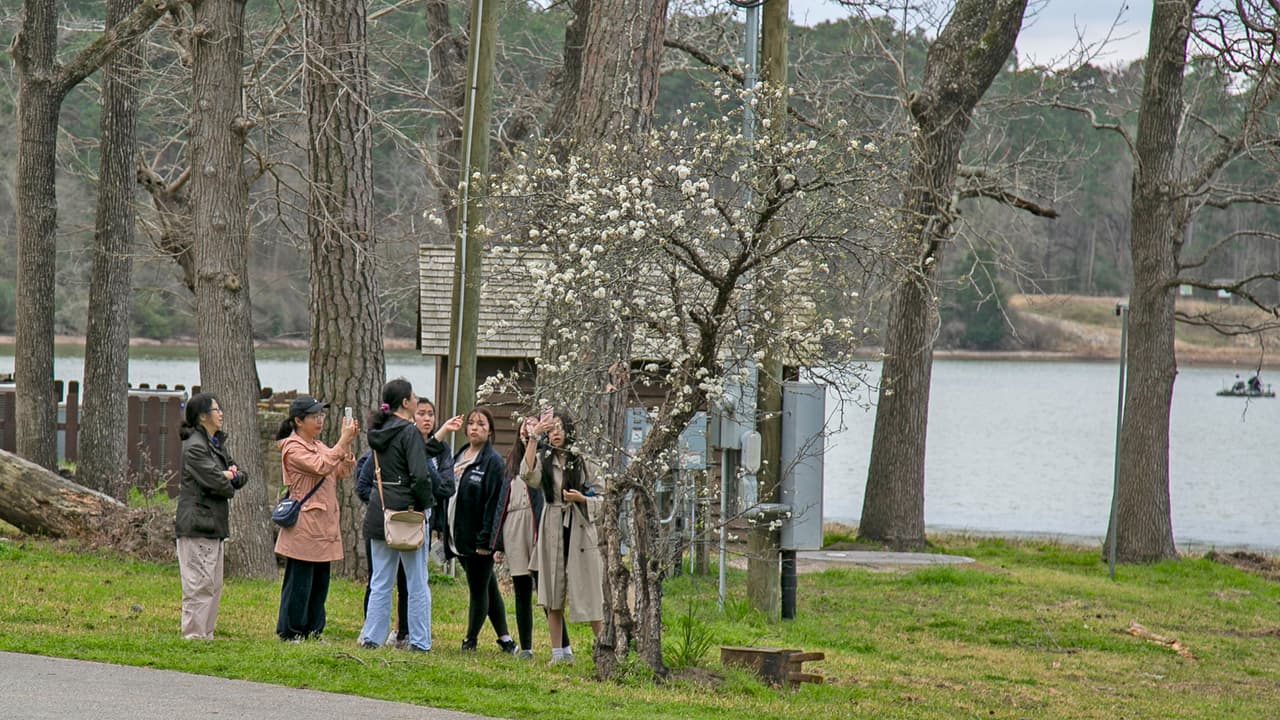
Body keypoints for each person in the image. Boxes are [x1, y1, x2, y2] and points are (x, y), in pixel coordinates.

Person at [354, 395, 461, 648]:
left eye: (429, 414)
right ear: (405, 404)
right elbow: (422, 477)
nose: (424, 416)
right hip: (409, 516)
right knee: (416, 581)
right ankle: (420, 640)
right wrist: (424, 506)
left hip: (381, 515)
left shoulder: (379, 435)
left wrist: (380, 501)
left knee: (380, 580)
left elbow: (365, 482)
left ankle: (372, 637)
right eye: (416, 403)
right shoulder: (409, 435)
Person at [274, 396, 358, 641]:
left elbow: (341, 471)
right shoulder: (293, 448)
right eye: (314, 416)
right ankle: (290, 632)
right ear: (298, 421)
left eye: (321, 415)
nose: (320, 420)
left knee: (320, 583)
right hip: (305, 525)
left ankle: (313, 629)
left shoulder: (319, 445)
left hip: (325, 524)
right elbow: (321, 466)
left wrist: (348, 444)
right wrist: (342, 440)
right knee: (299, 582)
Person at [526, 410, 604, 665]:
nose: (555, 433)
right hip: (552, 526)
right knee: (552, 590)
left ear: (569, 430)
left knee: (590, 589)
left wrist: (582, 499)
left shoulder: (583, 460)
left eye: (560, 428)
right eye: (551, 429)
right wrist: (532, 438)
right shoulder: (544, 458)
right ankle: (557, 653)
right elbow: (528, 475)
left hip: (580, 527)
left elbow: (605, 498)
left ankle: (603, 649)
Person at [175, 392, 247, 640]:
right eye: (217, 410)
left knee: (213, 583)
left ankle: (207, 633)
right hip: (197, 524)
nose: (221, 414)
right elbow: (217, 481)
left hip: (214, 524)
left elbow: (241, 475)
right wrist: (227, 477)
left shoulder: (215, 444)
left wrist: (231, 476)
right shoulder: (195, 446)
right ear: (203, 416)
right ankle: (193, 635)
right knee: (199, 582)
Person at [444, 406, 515, 653]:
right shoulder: (459, 455)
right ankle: (505, 639)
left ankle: (470, 640)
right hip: (458, 535)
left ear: (490, 431)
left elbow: (493, 504)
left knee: (478, 588)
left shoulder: (493, 462)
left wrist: (486, 540)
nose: (475, 428)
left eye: (482, 424)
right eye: (472, 423)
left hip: (478, 540)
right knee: (488, 586)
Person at [494, 415, 548, 659]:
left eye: (533, 424)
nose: (528, 428)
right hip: (514, 524)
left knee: (545, 588)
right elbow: (501, 504)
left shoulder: (545, 457)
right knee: (521, 588)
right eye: (524, 424)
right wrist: (497, 544)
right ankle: (526, 647)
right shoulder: (511, 462)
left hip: (537, 524)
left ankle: (561, 645)